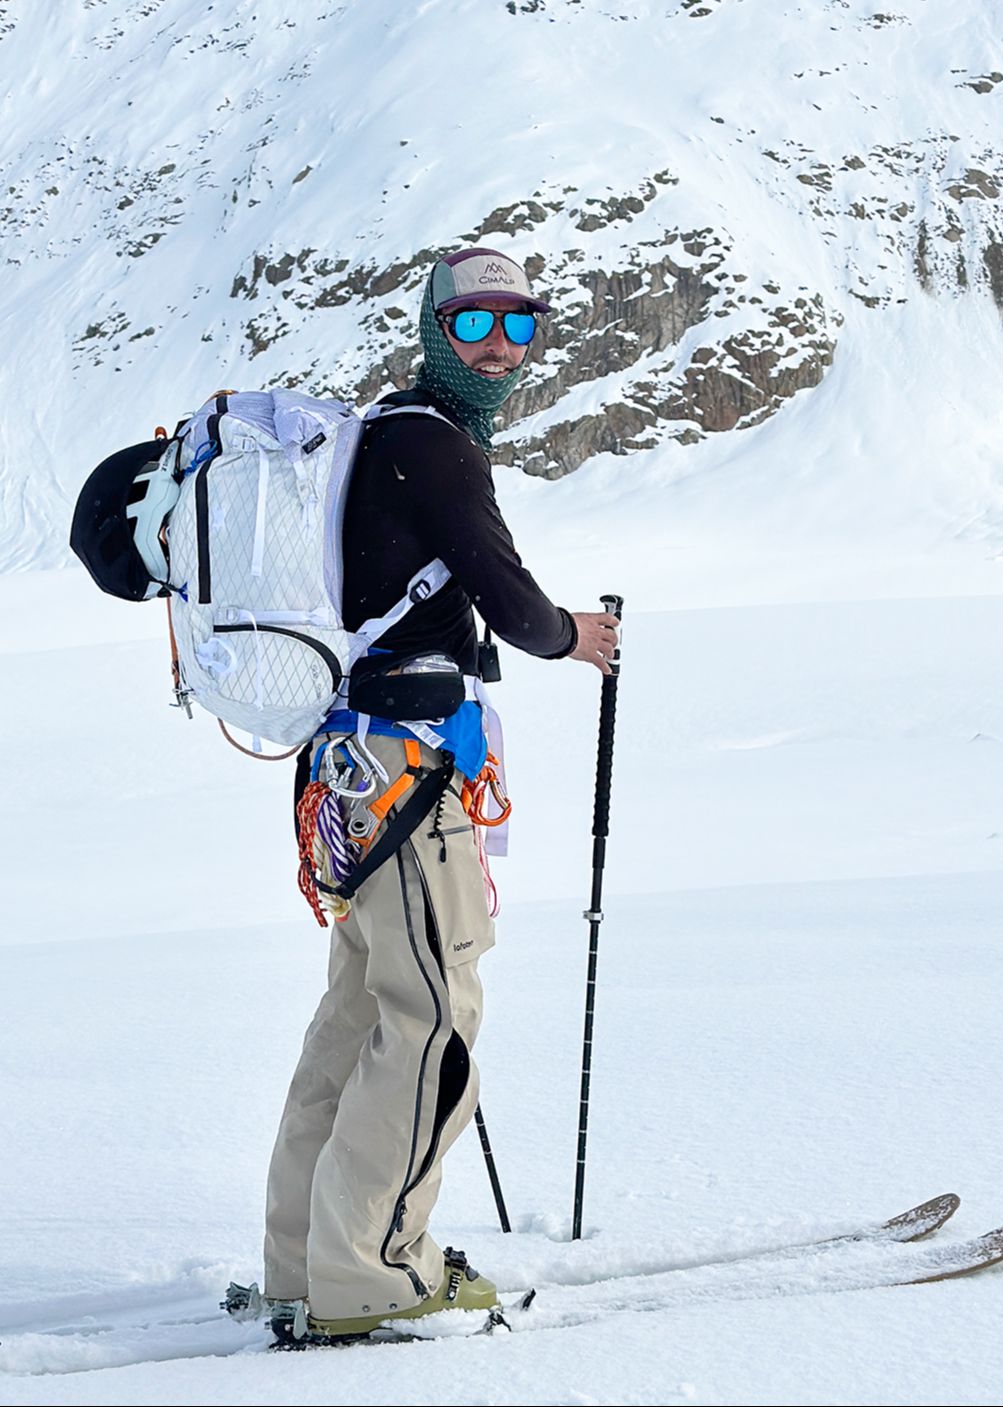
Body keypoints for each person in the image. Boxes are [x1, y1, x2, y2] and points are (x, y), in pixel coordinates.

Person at [260, 247, 619, 1346]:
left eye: (518, 324)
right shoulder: (433, 444)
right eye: (473, 325)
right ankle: (370, 1272)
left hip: (351, 769)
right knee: (433, 1024)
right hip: (404, 772)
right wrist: (572, 636)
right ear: (433, 331)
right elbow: (506, 596)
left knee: (360, 1015)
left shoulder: (384, 434)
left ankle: (302, 1266)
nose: (498, 346)